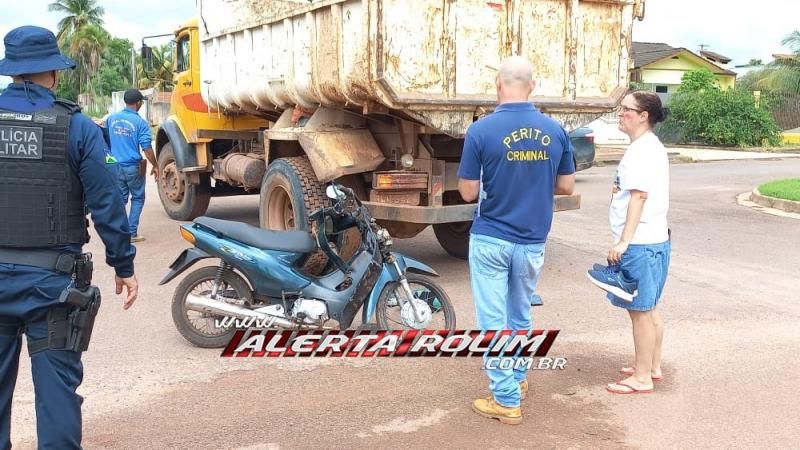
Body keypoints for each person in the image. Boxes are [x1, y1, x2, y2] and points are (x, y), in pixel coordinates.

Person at [0, 25, 138, 448]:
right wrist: (123, 265)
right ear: (54, 74)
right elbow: (108, 202)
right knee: (58, 401)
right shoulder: (76, 127)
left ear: (11, 72)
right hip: (52, 287)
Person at [457, 56, 576, 424]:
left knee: (493, 320)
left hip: (491, 237)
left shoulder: (481, 131)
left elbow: (466, 192)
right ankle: (519, 379)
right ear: (533, 85)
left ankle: (506, 399)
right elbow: (567, 186)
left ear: (498, 84)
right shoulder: (555, 131)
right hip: (533, 240)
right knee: (520, 315)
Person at [585, 91, 670, 394]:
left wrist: (623, 242)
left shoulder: (641, 151)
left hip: (640, 244)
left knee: (640, 312)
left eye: (626, 110)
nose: (620, 114)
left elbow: (638, 196)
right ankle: (652, 366)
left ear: (644, 115)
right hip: (655, 240)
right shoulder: (650, 147)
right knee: (650, 308)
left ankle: (642, 377)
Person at [105, 88, 158, 242]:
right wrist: (155, 165)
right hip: (132, 167)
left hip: (114, 165)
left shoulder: (111, 119)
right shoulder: (140, 123)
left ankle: (117, 232)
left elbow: (105, 140)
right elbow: (147, 148)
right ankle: (131, 233)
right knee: (138, 198)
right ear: (138, 103)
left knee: (120, 199)